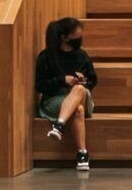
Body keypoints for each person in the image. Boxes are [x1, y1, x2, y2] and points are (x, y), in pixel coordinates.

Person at [31, 16, 98, 173]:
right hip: (55, 100)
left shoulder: (82, 55)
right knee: (78, 110)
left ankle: (59, 124)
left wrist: (83, 80)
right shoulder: (46, 56)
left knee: (80, 89)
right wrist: (62, 80)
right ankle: (82, 154)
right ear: (64, 37)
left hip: (82, 96)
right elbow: (40, 85)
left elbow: (93, 81)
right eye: (76, 36)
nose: (79, 39)